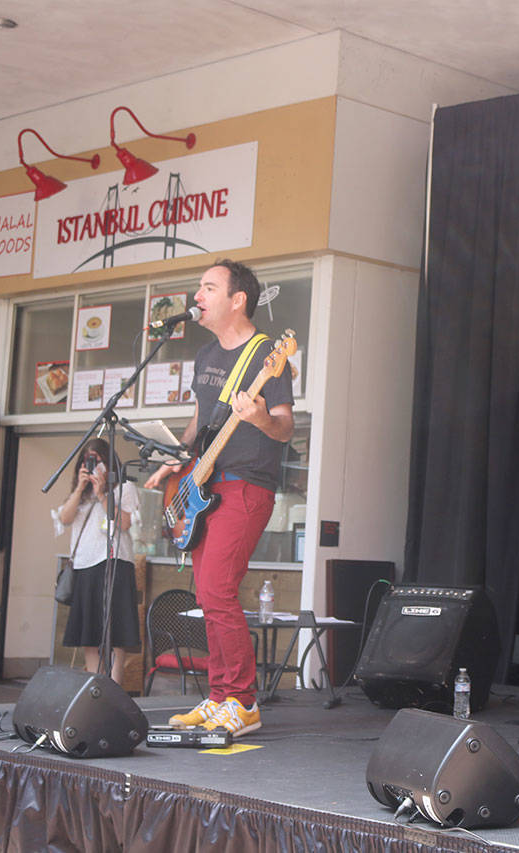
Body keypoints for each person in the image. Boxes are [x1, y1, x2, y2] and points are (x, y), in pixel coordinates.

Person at [145, 259, 294, 737]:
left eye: (209, 287)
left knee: (216, 591)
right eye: (199, 287)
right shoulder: (206, 354)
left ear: (238, 299)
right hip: (203, 484)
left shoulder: (267, 353)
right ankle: (219, 696)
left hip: (246, 484)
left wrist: (259, 418)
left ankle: (243, 702)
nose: (198, 295)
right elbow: (199, 422)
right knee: (208, 597)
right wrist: (176, 460)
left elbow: (285, 426)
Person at [55, 437, 140, 686]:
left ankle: (113, 688)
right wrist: (80, 488)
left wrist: (103, 493)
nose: (93, 467)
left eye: (98, 461)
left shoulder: (124, 488)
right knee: (90, 636)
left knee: (116, 635)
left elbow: (124, 523)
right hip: (85, 566)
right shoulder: (81, 494)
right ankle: (94, 688)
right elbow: (64, 518)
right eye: (88, 461)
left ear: (110, 464)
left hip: (114, 564)